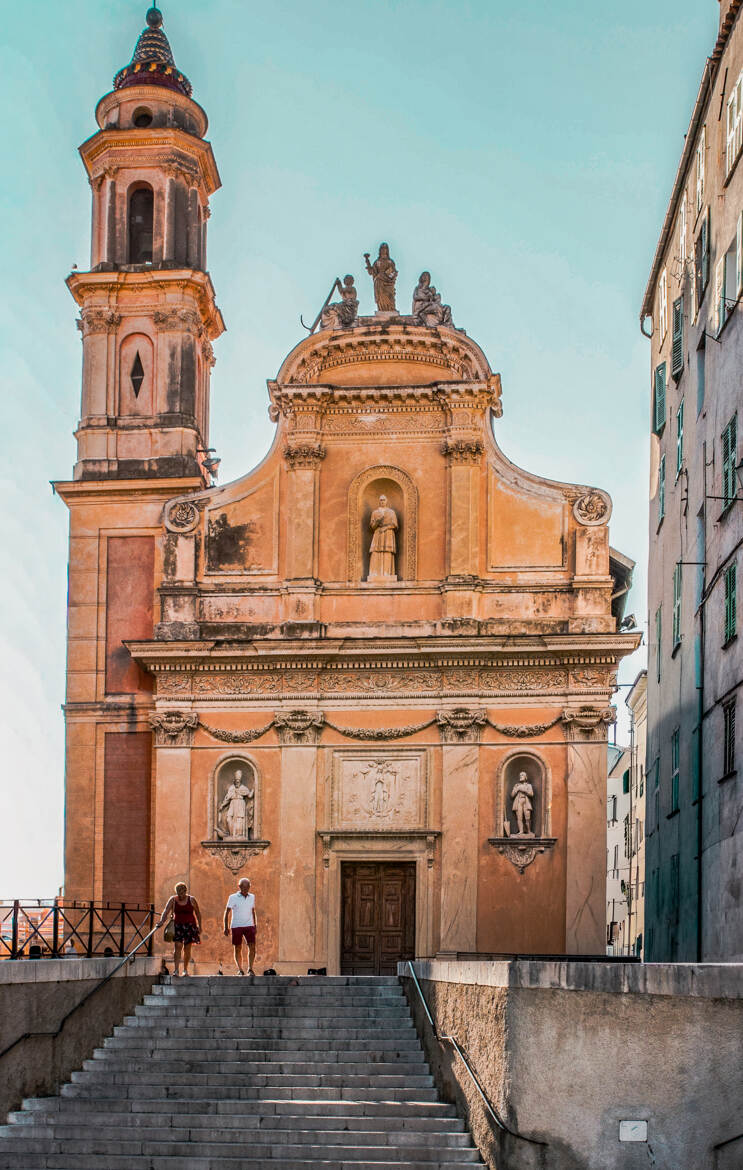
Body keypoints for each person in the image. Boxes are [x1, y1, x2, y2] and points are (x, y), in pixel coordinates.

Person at [157, 882, 202, 977]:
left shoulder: (192, 899)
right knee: (177, 946)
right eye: (178, 893)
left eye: (182, 893)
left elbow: (198, 913)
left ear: (185, 891)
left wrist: (200, 926)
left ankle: (185, 970)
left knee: (187, 948)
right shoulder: (173, 900)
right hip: (177, 926)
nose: (180, 896)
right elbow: (166, 910)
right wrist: (161, 921)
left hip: (190, 926)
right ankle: (176, 970)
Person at [224, 877, 257, 976]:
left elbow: (253, 911)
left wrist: (255, 924)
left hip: (249, 925)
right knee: (237, 948)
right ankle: (240, 969)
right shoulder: (233, 897)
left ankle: (250, 969)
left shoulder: (252, 897)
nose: (246, 889)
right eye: (244, 887)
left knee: (252, 947)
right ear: (239, 887)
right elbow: (227, 912)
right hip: (236, 925)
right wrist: (226, 927)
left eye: (248, 887)